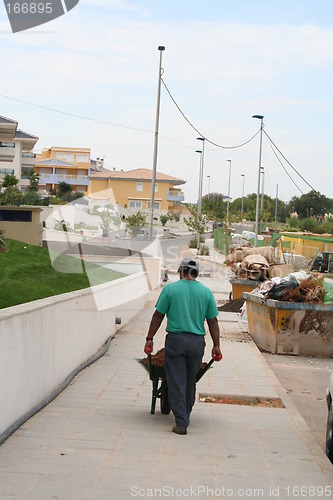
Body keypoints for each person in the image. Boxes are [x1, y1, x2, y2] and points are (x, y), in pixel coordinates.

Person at [144, 257, 222, 435]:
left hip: (176, 341)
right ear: (197, 273)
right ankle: (184, 414)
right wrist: (216, 345)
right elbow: (213, 321)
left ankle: (181, 421)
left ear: (180, 271)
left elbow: (158, 316)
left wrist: (149, 338)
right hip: (197, 344)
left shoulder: (170, 289)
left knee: (176, 381)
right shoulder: (206, 292)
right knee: (189, 381)